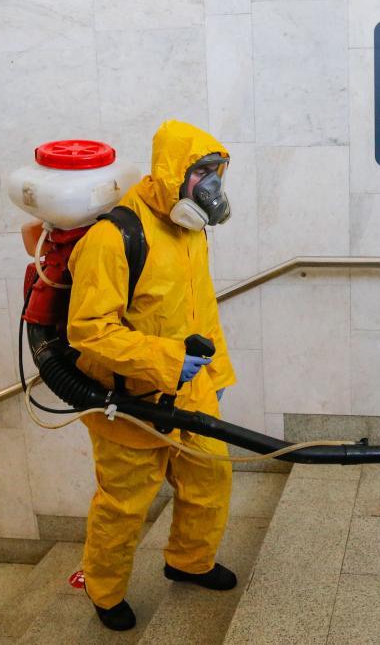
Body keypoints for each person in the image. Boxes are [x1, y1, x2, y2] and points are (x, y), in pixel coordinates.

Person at [66, 120, 238, 631]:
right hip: (130, 402)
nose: (211, 184)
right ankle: (104, 592)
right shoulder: (113, 237)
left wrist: (216, 375)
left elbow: (203, 311)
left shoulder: (191, 230)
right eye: (201, 171)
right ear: (170, 172)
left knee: (210, 477)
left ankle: (190, 562)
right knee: (124, 506)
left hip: (192, 390)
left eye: (217, 171)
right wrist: (166, 361)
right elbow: (89, 330)